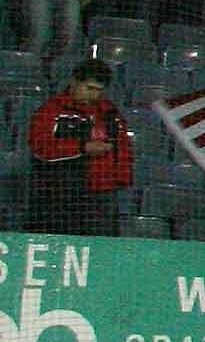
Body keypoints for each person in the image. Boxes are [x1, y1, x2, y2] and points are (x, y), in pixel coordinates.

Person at [26, 57, 132, 238]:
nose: (94, 95)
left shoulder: (110, 112)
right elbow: (39, 147)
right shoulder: (52, 110)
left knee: (99, 247)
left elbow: (122, 148)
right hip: (58, 193)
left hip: (102, 194)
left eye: (99, 90)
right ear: (74, 82)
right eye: (89, 88)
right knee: (57, 241)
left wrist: (120, 178)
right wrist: (82, 148)